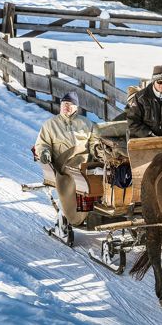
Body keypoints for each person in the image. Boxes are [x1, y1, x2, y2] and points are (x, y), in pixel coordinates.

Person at [35, 91, 95, 227]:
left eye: (70, 104)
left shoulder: (85, 123)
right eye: (64, 104)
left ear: (76, 107)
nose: (66, 106)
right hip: (64, 164)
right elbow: (42, 143)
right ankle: (75, 215)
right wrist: (44, 152)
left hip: (85, 160)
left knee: (101, 175)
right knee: (75, 179)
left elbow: (94, 142)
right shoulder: (50, 124)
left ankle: (97, 209)